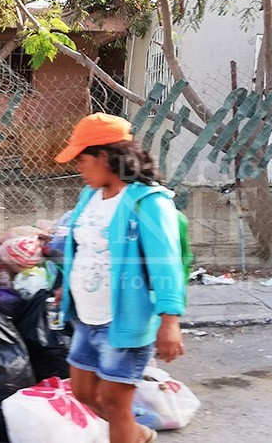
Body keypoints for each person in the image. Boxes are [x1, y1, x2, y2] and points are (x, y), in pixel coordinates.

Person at [51, 113, 186, 443]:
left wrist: (170, 321)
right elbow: (83, 250)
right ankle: (138, 434)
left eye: (82, 160)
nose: (78, 168)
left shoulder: (149, 203)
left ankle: (129, 432)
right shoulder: (90, 197)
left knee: (114, 404)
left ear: (105, 156)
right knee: (84, 394)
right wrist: (65, 287)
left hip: (123, 321)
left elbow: (166, 264)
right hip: (86, 319)